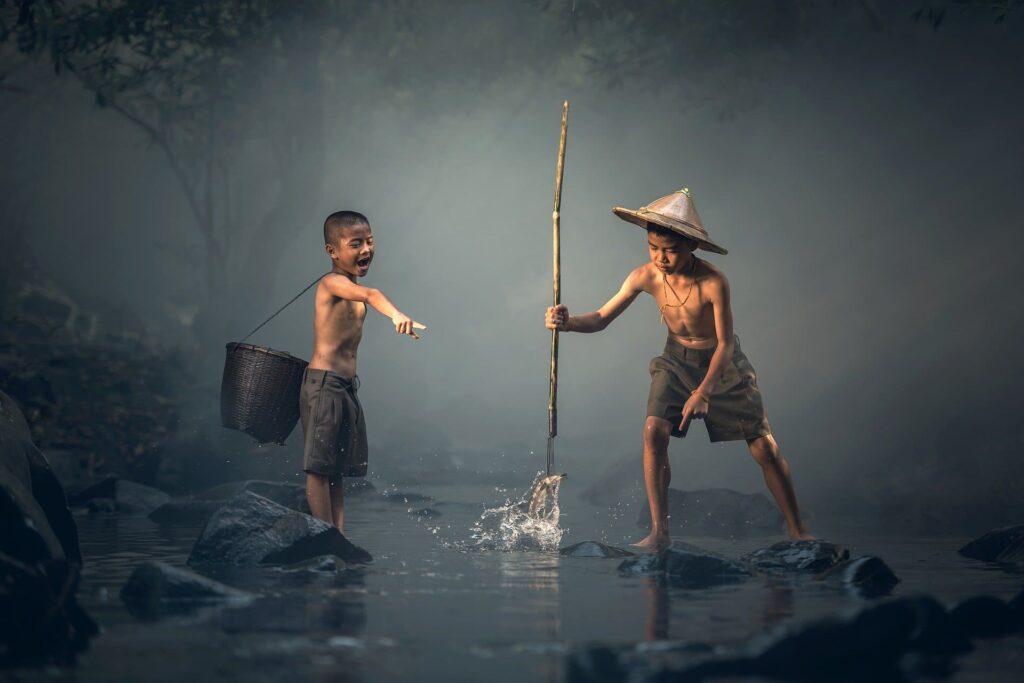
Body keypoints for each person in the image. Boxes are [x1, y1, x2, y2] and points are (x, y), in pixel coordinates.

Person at [544, 188, 810, 548]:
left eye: (669, 251)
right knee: (653, 431)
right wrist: (569, 322)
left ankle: (797, 529)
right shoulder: (645, 276)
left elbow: (726, 344)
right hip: (675, 360)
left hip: (722, 362)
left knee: (763, 447)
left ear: (691, 247)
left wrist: (704, 392)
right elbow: (603, 317)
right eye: (654, 248)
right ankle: (659, 532)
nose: (661, 258)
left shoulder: (714, 282)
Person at [301, 210, 425, 533]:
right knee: (318, 469)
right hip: (324, 386)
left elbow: (365, 296)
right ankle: (322, 533)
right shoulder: (331, 284)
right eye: (356, 243)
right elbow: (372, 295)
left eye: (369, 241)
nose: (366, 249)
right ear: (333, 252)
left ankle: (337, 535)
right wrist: (397, 314)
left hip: (345, 388)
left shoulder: (350, 288)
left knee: (337, 469)